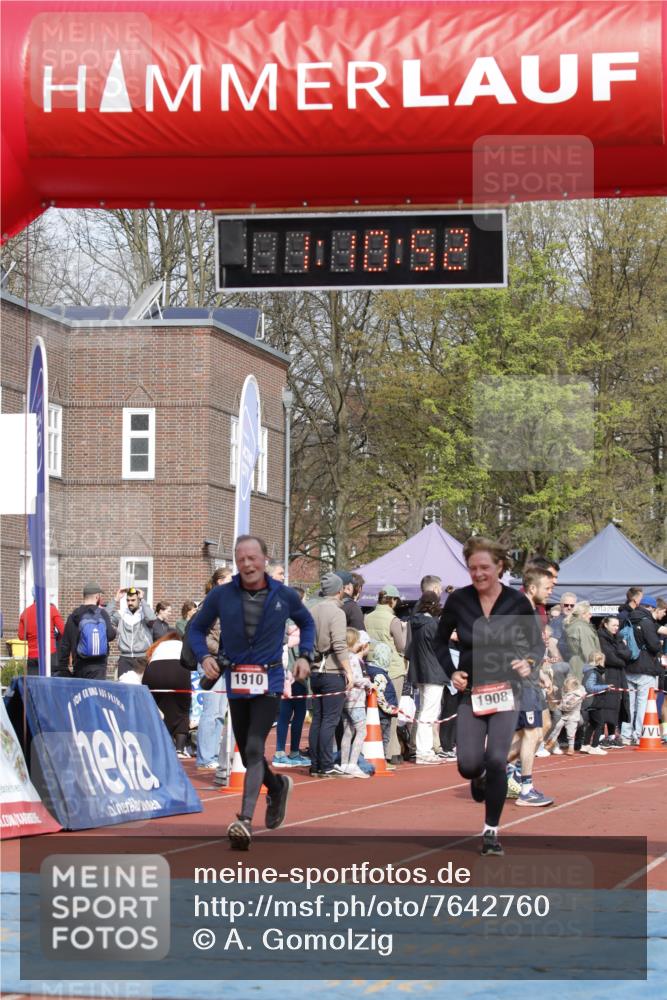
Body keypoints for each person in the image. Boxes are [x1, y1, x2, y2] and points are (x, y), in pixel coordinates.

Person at [187, 535, 315, 850]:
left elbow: (307, 624)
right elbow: (195, 628)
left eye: (252, 558)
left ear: (265, 560)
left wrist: (305, 656)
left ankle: (244, 820)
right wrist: (204, 656)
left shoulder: (284, 595)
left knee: (255, 747)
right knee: (247, 751)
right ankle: (276, 785)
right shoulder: (221, 595)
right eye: (241, 558)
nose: (247, 564)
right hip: (236, 680)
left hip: (269, 679)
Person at [435, 537, 543, 857]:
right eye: (472, 568)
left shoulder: (517, 602)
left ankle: (491, 832)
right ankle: (478, 776)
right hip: (471, 691)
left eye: (484, 567)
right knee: (469, 765)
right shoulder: (459, 602)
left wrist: (530, 662)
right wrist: (450, 672)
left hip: (507, 690)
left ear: (499, 567)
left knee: (496, 759)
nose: (478, 574)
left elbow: (535, 644)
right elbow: (439, 642)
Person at [506, 566, 554, 807]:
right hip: (520, 682)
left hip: (529, 680)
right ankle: (525, 788)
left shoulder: (532, 612)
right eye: (548, 588)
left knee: (532, 730)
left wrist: (540, 670)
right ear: (532, 588)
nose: (550, 592)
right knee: (532, 732)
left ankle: (493, 771)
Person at [308, 573, 354, 777]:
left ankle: (316, 763)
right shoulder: (337, 612)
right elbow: (339, 644)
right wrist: (349, 670)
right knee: (330, 720)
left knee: (317, 719)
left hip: (315, 670)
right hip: (331, 671)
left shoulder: (312, 609)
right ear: (339, 590)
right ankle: (326, 764)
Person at [364, 585, 407, 765]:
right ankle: (391, 751)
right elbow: (402, 645)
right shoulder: (393, 620)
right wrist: (404, 630)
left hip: (371, 665)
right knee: (391, 710)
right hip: (393, 668)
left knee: (373, 710)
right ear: (392, 600)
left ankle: (371, 748)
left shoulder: (367, 617)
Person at [407, 590, 451, 765]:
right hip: (433, 671)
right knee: (429, 712)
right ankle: (424, 751)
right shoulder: (432, 624)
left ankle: (423, 750)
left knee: (426, 709)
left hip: (421, 670)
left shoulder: (415, 622)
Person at [273, 587, 312, 768]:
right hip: (295, 674)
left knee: (285, 714)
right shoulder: (298, 622)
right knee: (296, 714)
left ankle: (282, 751)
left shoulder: (279, 618)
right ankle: (289, 752)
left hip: (283, 673)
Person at [143, 630, 193, 757]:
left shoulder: (159, 646)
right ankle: (180, 749)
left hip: (154, 671)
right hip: (179, 669)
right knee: (182, 709)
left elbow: (147, 659)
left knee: (158, 708)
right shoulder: (182, 645)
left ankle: (162, 743)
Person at [623, 595, 665, 745]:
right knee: (643, 703)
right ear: (652, 608)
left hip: (628, 666)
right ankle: (639, 733)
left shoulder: (627, 619)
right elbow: (654, 645)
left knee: (628, 703)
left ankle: (625, 735)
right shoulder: (647, 622)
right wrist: (659, 645)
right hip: (645, 666)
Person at [57, 582, 117, 680]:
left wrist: (63, 667)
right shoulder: (102, 614)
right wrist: (115, 631)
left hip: (80, 665)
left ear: (84, 596)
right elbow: (110, 635)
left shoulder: (73, 616)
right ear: (97, 597)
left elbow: (65, 645)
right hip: (99, 666)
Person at [339, 627, 372, 778]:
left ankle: (344, 764)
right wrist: (368, 683)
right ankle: (352, 764)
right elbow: (357, 679)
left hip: (345, 700)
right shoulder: (353, 658)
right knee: (361, 731)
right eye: (358, 641)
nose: (360, 644)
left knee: (348, 731)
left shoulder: (342, 657)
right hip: (356, 700)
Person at [597, 615, 632, 748]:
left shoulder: (618, 638)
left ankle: (612, 736)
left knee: (618, 705)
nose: (616, 628)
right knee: (605, 705)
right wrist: (621, 657)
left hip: (619, 675)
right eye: (614, 625)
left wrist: (620, 655)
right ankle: (600, 738)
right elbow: (609, 658)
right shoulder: (601, 638)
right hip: (607, 674)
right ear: (606, 624)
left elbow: (629, 653)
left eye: (618, 625)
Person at [110, 586, 156, 677]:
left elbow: (152, 619)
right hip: (125, 659)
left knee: (142, 688)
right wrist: (116, 599)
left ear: (138, 600)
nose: (130, 603)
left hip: (142, 658)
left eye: (133, 600)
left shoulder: (145, 614)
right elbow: (104, 617)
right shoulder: (121, 614)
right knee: (123, 688)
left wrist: (142, 599)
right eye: (128, 600)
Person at [18, 593, 65, 676]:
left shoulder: (25, 613)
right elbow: (63, 631)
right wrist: (57, 637)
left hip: (32, 655)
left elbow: (21, 636)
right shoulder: (52, 610)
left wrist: (32, 635)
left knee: (34, 685)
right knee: (49, 684)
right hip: (49, 653)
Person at [545, 676, 587, 756]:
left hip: (573, 717)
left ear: (573, 687)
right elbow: (563, 703)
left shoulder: (577, 695)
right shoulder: (567, 694)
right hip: (564, 716)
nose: (565, 688)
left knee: (571, 733)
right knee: (557, 727)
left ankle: (571, 748)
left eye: (567, 687)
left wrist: (558, 707)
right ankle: (550, 743)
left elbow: (568, 707)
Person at [580, 652, 612, 754]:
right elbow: (590, 687)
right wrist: (605, 687)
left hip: (593, 702)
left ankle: (585, 745)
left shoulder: (591, 671)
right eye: (603, 661)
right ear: (598, 661)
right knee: (599, 723)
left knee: (593, 724)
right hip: (593, 702)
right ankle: (595, 746)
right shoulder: (593, 672)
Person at [564, 601, 601, 681]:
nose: (591, 616)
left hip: (575, 665)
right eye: (589, 613)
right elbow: (589, 653)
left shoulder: (573, 625)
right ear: (583, 614)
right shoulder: (582, 627)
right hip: (584, 667)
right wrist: (598, 669)